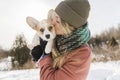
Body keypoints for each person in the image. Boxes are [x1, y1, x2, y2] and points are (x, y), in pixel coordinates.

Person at [32, 0, 91, 80]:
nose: (52, 23)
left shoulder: (82, 54)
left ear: (69, 27)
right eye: (53, 17)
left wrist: (44, 57)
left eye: (57, 21)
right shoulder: (56, 37)